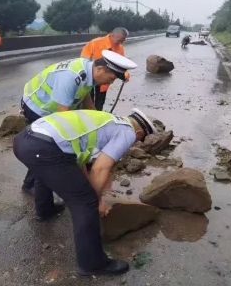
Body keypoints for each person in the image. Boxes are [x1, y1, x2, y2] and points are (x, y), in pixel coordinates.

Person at [13, 108, 159, 276]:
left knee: (46, 171)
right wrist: (96, 201)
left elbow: (77, 158)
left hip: (25, 139)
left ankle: (45, 210)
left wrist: (87, 187)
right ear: (139, 132)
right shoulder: (128, 132)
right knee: (85, 202)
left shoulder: (107, 121)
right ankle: (92, 264)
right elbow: (99, 168)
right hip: (43, 148)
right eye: (140, 139)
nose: (135, 143)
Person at [20, 50, 138, 196]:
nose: (110, 82)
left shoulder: (88, 71)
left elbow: (84, 94)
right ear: (99, 69)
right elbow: (64, 118)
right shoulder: (70, 76)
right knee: (46, 148)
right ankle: (32, 186)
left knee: (49, 150)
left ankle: (35, 184)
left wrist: (99, 119)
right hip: (38, 107)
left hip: (51, 106)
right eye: (111, 78)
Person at [80, 27, 131, 111]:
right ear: (112, 35)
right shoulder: (94, 43)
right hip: (90, 77)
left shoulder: (120, 48)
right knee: (88, 100)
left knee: (100, 101)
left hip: (104, 80)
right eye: (120, 40)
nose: (121, 42)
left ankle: (98, 117)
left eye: (123, 40)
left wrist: (125, 75)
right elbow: (83, 62)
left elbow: (121, 66)